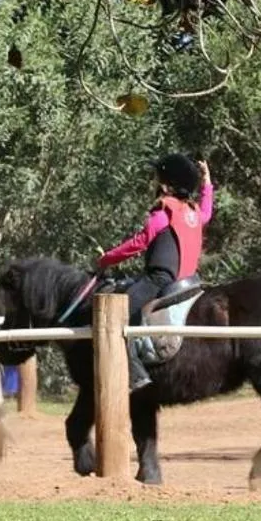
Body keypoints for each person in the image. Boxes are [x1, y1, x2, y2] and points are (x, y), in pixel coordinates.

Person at [97, 154, 214, 390]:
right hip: (189, 281)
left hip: (159, 280)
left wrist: (106, 258)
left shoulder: (164, 212)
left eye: (156, 178)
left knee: (116, 316)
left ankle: (136, 374)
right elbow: (207, 213)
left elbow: (140, 242)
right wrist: (207, 185)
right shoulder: (192, 212)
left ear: (164, 185)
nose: (153, 182)